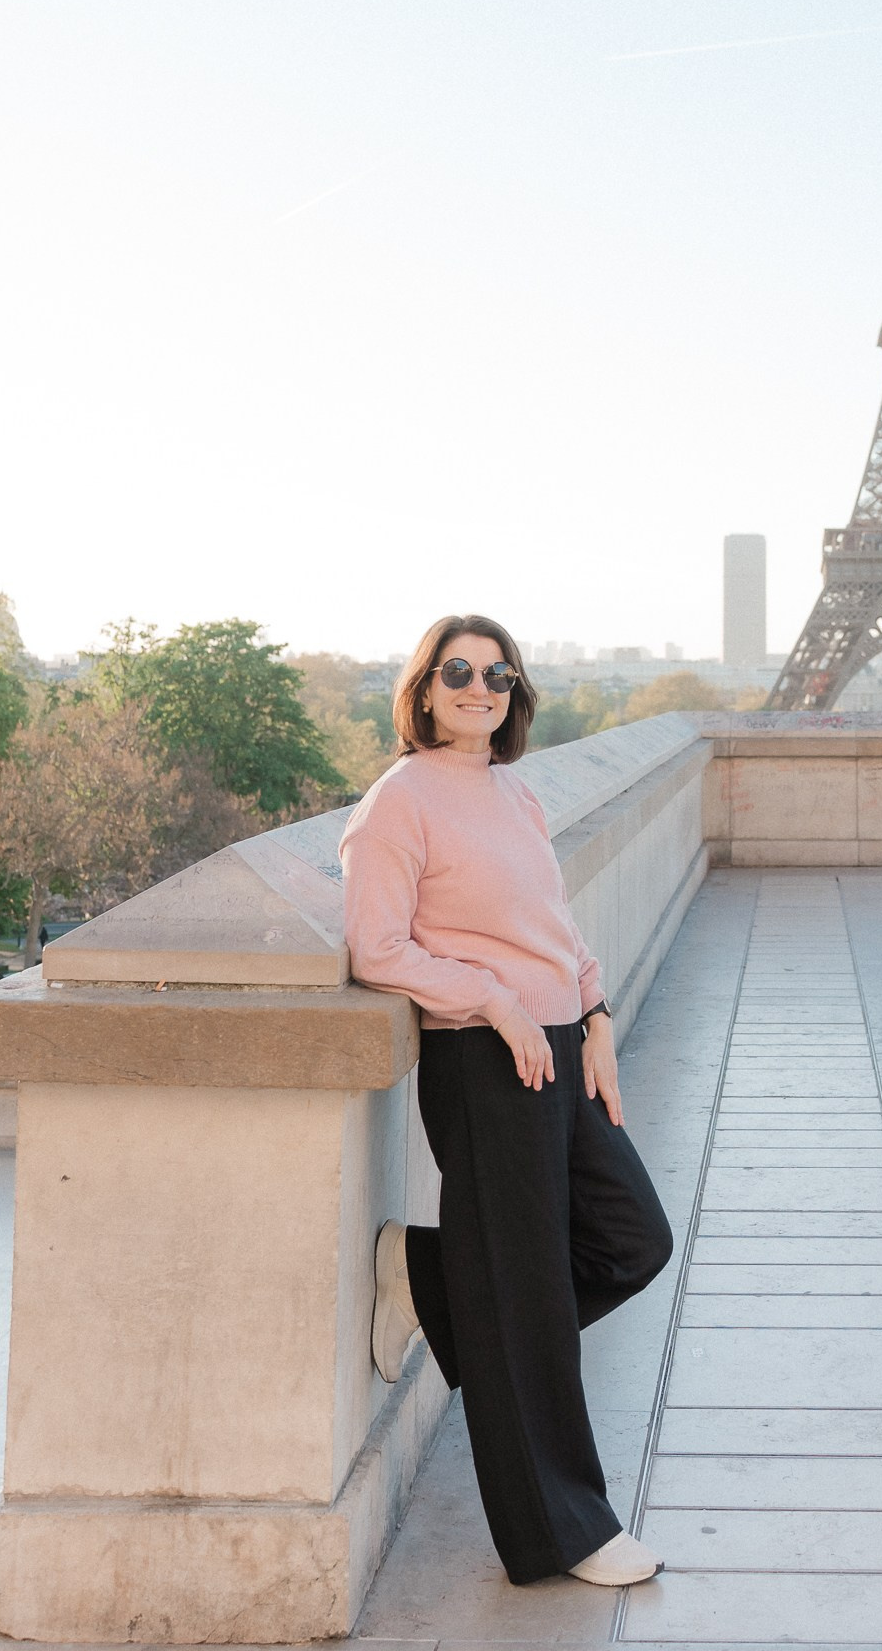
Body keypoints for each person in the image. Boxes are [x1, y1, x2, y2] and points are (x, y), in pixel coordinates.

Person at [340, 612, 672, 1589]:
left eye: (497, 675)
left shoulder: (513, 793)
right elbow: (377, 947)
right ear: (423, 689)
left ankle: (431, 1274)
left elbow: (552, 927)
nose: (479, 688)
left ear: (515, 693)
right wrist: (490, 1000)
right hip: (484, 1059)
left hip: (560, 1048)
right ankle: (564, 1533)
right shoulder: (398, 803)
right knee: (524, 1298)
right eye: (457, 672)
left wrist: (595, 1013)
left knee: (633, 1239)